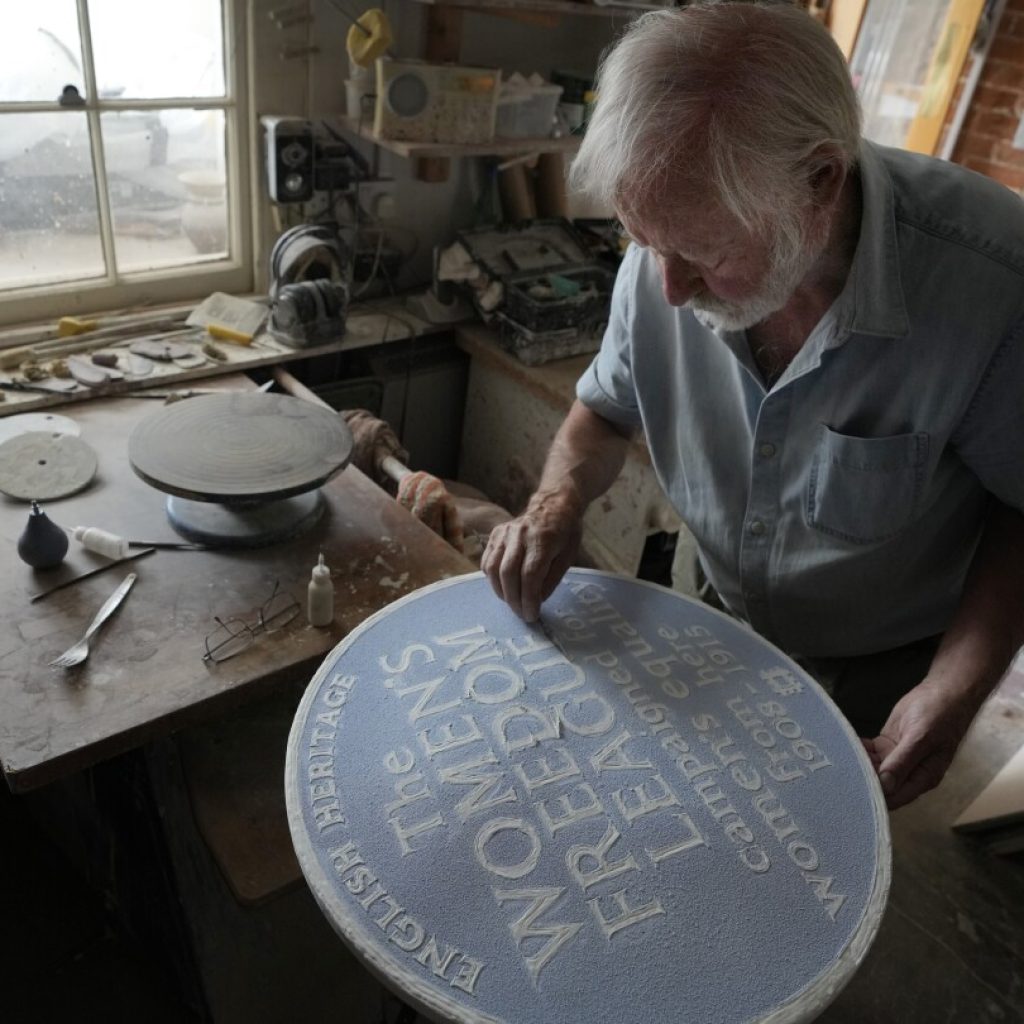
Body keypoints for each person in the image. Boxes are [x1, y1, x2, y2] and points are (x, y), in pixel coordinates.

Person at [481, 1, 1024, 811]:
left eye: (703, 254)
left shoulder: (994, 284)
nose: (666, 286)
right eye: (644, 241)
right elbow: (603, 412)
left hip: (879, 660)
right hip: (711, 617)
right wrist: (556, 503)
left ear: (819, 183)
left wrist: (955, 686)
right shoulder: (667, 247)